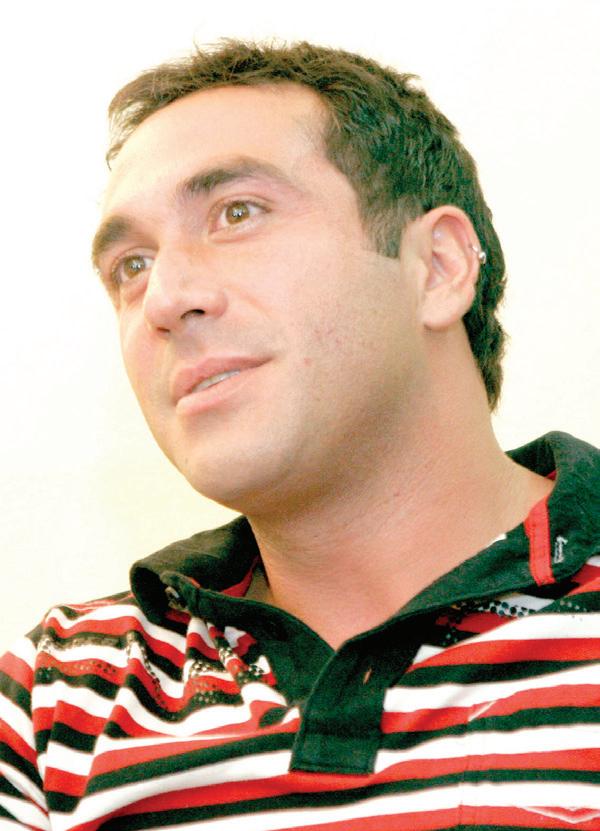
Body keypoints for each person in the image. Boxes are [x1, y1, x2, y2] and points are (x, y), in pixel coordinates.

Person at [0, 39, 598, 831]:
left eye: (237, 213)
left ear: (438, 266)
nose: (165, 298)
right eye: (131, 266)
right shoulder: (55, 701)